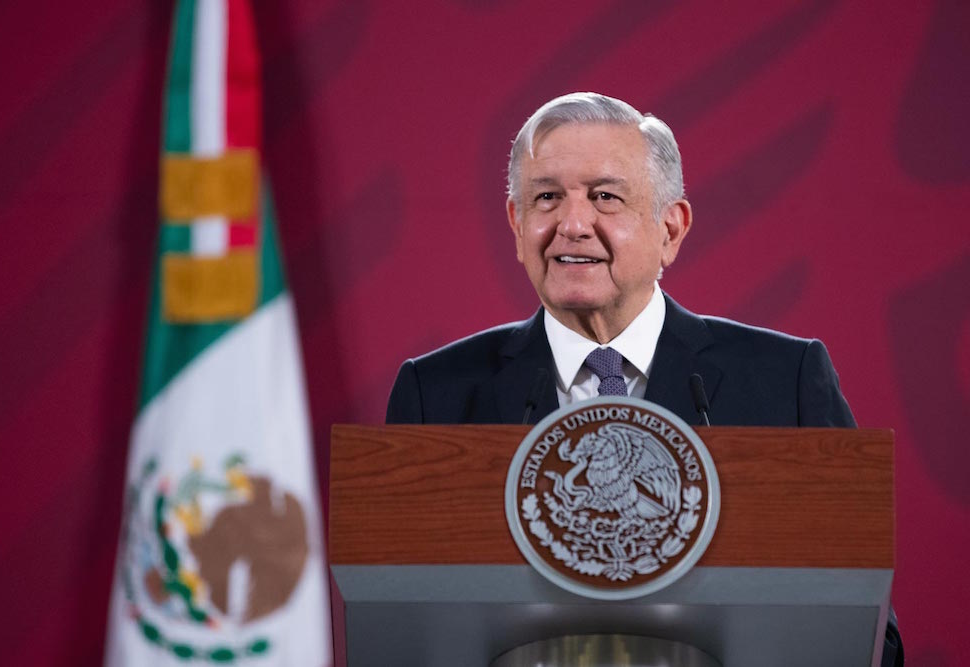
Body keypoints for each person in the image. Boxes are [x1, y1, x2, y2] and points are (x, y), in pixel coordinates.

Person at [385, 92, 901, 666]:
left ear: (670, 230)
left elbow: (871, 637)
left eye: (605, 197)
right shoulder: (437, 395)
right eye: (547, 197)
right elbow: (397, 628)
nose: (572, 225)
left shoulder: (786, 382)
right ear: (517, 223)